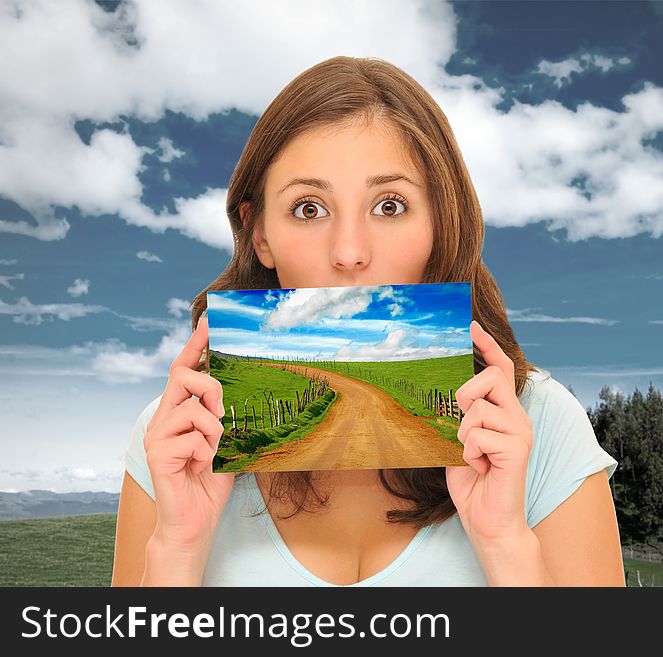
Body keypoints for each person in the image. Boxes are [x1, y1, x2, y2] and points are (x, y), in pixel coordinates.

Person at [111, 56, 623, 587]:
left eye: (389, 206)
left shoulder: (542, 423)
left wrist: (506, 544)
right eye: (309, 208)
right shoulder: (174, 436)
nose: (349, 252)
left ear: (440, 224)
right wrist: (177, 549)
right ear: (259, 234)